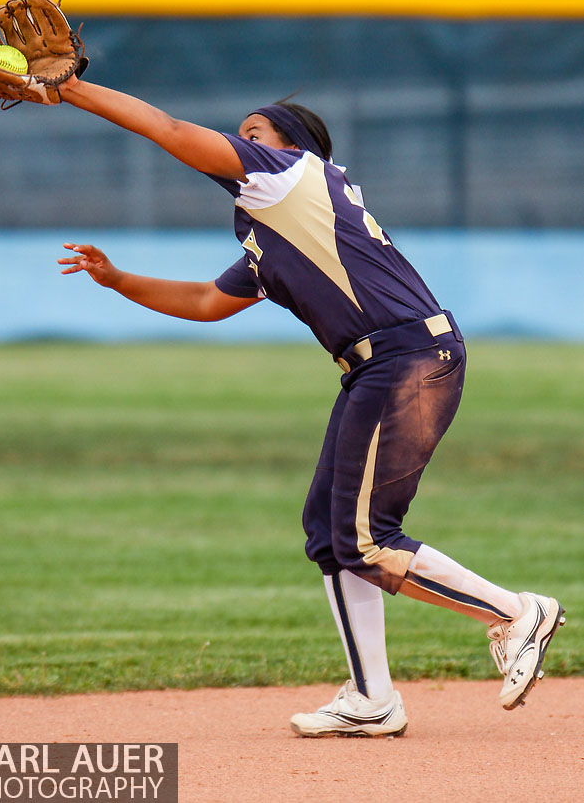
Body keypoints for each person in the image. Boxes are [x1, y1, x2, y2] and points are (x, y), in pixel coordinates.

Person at [56, 75, 564, 737]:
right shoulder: (273, 233)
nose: (240, 143)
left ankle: (513, 611)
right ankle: (371, 697)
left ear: (291, 148)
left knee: (365, 538)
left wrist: (68, 88)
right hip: (379, 367)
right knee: (332, 535)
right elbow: (208, 303)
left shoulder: (292, 173)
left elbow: (172, 133)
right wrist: (118, 279)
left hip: (405, 357)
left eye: (253, 133)